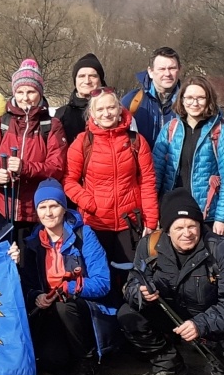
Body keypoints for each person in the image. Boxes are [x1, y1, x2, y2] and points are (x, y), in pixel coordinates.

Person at [120, 189, 224, 375]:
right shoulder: (149, 245)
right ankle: (168, 364)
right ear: (167, 229)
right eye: (179, 227)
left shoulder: (220, 248)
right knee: (127, 315)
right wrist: (141, 293)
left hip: (210, 316)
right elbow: (131, 285)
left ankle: (222, 369)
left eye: (192, 225)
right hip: (170, 315)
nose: (187, 233)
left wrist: (200, 324)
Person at [18, 180, 110, 375]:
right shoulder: (32, 242)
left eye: (54, 206)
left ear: (64, 208)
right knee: (52, 361)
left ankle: (87, 361)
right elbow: (28, 283)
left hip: (82, 306)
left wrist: (68, 288)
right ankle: (65, 354)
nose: (48, 213)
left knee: (64, 304)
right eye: (42, 207)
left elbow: (103, 283)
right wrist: (36, 296)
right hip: (49, 309)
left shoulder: (84, 235)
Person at [64, 86, 159, 269]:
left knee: (131, 276)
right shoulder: (83, 142)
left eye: (111, 108)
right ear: (92, 113)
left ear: (119, 109)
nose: (106, 113)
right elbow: (68, 180)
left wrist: (151, 219)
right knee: (100, 277)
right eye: (100, 109)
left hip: (129, 224)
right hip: (95, 223)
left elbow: (147, 182)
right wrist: (89, 203)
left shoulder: (136, 141)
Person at [0, 59, 67, 227]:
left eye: (31, 92)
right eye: (20, 92)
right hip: (1, 209)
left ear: (40, 93)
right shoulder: (2, 123)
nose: (25, 98)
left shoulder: (51, 125)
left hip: (36, 211)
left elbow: (57, 167)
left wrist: (25, 168)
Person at [153, 76, 224, 237]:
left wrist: (221, 217)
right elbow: (156, 174)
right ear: (182, 100)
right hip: (172, 212)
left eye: (200, 98)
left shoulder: (220, 133)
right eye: (190, 98)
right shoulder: (169, 130)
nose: (195, 103)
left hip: (205, 214)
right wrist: (153, 212)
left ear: (208, 100)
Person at [123, 47, 182, 149]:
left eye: (172, 68)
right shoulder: (132, 101)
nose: (167, 74)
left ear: (179, 69)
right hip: (141, 164)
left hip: (177, 165)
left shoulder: (190, 102)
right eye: (162, 69)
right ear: (150, 72)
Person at [57, 53, 105, 148]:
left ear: (101, 80)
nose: (87, 81)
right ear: (75, 81)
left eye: (93, 76)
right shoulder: (61, 114)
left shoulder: (114, 112)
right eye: (82, 76)